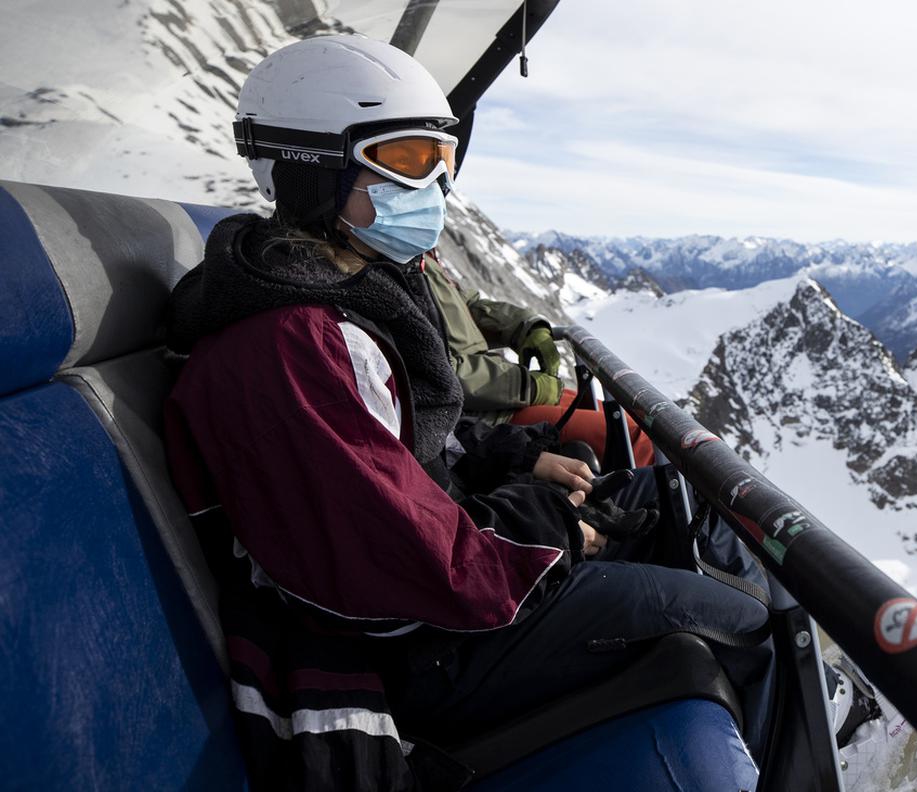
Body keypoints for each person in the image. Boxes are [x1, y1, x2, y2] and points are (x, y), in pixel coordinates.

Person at [162, 35, 771, 791]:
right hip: (432, 645)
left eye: (444, 160)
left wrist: (520, 462)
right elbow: (400, 564)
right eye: (411, 160)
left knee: (676, 498)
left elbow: (409, 444)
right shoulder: (294, 345)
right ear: (312, 170)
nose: (438, 187)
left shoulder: (344, 297)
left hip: (452, 573)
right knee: (743, 619)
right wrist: (551, 528)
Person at [421, 248, 657, 469]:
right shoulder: (395, 271)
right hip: (479, 418)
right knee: (635, 440)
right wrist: (529, 387)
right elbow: (433, 370)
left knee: (632, 421)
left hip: (498, 398)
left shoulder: (417, 255)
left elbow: (466, 303)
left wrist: (527, 327)